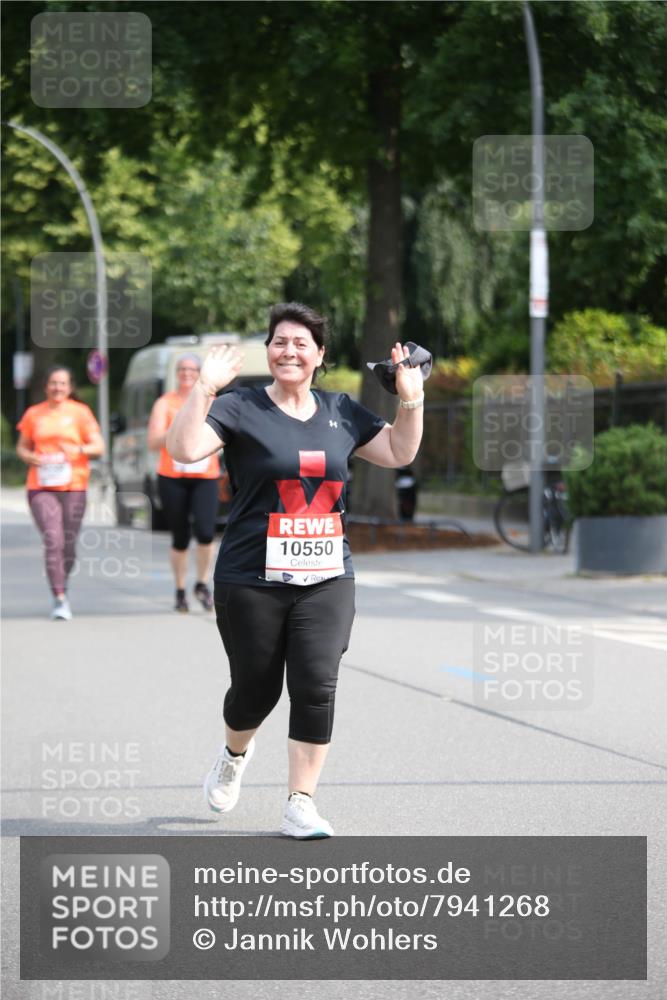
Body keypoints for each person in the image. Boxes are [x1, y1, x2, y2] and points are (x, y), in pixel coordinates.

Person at [167, 302, 424, 838]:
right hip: (249, 575)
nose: (289, 350)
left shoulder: (343, 411)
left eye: (301, 343)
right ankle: (234, 754)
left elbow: (400, 451)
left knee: (315, 683)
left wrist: (411, 398)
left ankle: (300, 802)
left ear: (319, 356)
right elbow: (185, 449)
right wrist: (205, 389)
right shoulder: (240, 408)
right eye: (279, 341)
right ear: (268, 352)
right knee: (255, 691)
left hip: (327, 575)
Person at [16, 366, 105, 620]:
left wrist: (78, 450)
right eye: (53, 383)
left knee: (67, 545)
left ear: (70, 387)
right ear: (46, 386)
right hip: (41, 486)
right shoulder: (34, 414)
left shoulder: (80, 412)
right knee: (53, 539)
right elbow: (22, 447)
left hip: (74, 485)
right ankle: (59, 597)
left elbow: (98, 446)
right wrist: (31, 456)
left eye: (62, 384)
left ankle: (62, 583)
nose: (57, 388)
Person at [147, 354, 221, 612]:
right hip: (172, 477)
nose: (186, 373)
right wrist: (181, 425)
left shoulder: (211, 401)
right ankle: (180, 589)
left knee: (205, 532)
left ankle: (202, 583)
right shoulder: (165, 403)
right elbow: (154, 441)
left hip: (205, 476)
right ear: (176, 373)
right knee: (180, 536)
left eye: (192, 369)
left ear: (200, 373)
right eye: (182, 369)